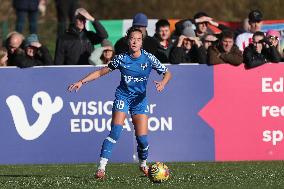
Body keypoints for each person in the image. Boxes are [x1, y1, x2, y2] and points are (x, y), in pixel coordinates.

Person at [68, 27, 172, 179]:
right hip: (123, 97)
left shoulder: (149, 58)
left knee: (142, 140)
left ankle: (143, 165)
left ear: (142, 42)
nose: (135, 41)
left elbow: (167, 72)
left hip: (140, 101)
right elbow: (100, 72)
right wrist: (81, 82)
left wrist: (163, 82)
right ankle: (101, 168)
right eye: (132, 38)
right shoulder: (121, 59)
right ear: (127, 40)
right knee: (115, 132)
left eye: (138, 39)